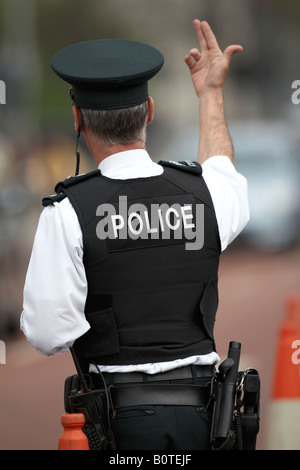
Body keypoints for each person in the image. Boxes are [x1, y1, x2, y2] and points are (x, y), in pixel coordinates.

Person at [21, 19, 249, 450]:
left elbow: (48, 333)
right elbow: (222, 167)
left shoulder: (68, 211)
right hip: (207, 421)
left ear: (76, 119)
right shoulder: (206, 194)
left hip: (120, 424)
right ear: (149, 111)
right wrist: (210, 95)